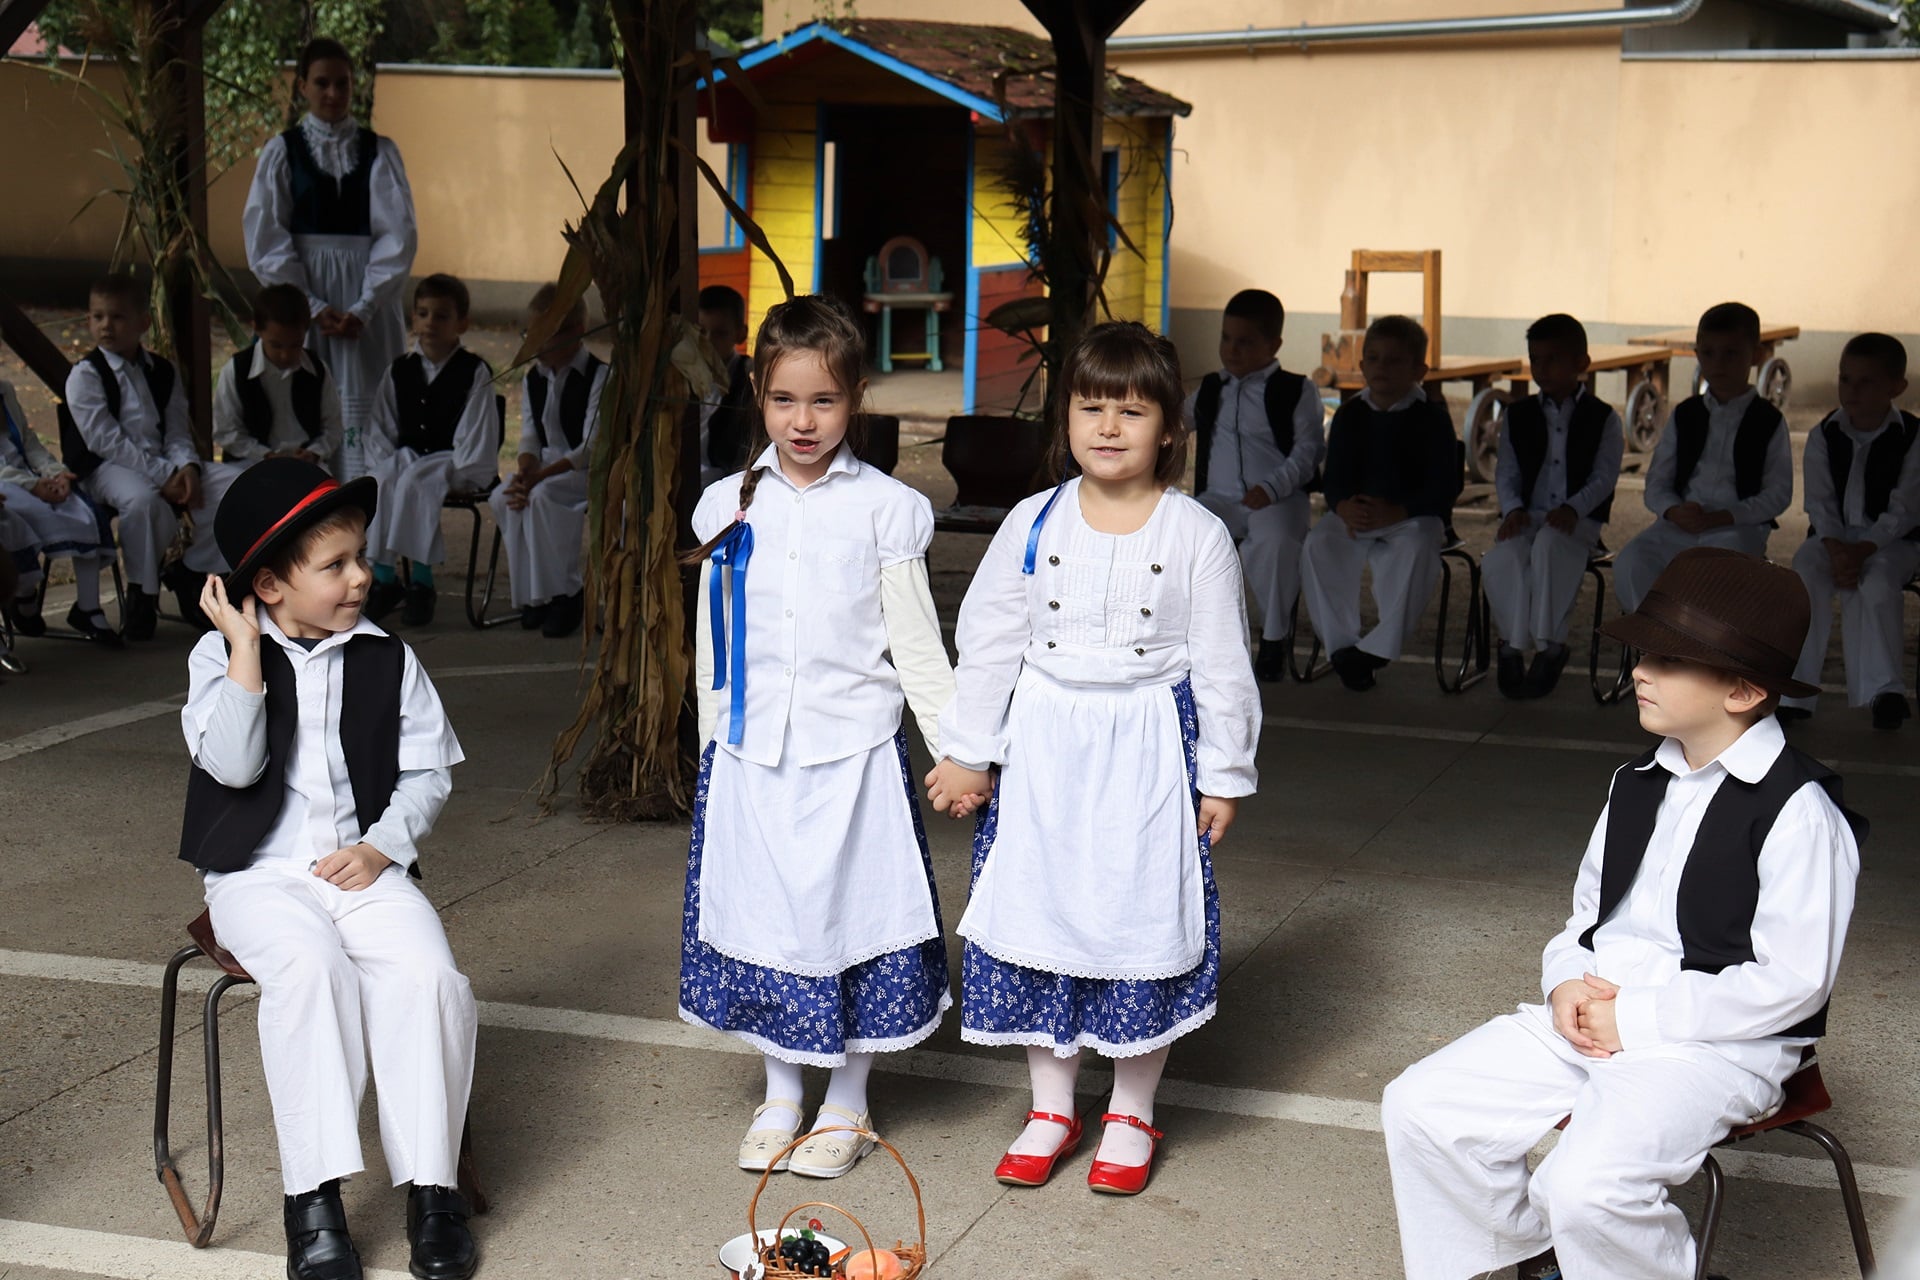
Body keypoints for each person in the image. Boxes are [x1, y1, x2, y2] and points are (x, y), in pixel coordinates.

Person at [1381, 548, 1861, 1280]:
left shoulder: (1800, 813)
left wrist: (1635, 1020)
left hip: (1716, 1044)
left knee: (1583, 1186)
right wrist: (1566, 982)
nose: (1640, 670)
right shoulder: (1635, 782)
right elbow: (1587, 919)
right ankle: (1544, 1260)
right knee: (1422, 1105)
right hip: (1596, 1013)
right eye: (1645, 654)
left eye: (1670, 661)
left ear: (1742, 691)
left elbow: (1793, 983)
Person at [926, 320, 1260, 1197]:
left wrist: (1224, 773)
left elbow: (1224, 664)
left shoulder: (1196, 533)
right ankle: (1050, 1108)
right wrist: (969, 752)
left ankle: (1131, 1112)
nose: (1109, 427)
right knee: (1040, 918)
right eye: (1090, 408)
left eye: (1132, 411)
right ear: (1065, 420)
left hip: (1146, 750)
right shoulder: (1032, 520)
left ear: (1170, 429)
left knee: (1135, 921)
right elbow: (990, 640)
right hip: (1043, 751)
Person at [681, 295, 957, 1180]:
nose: (803, 422)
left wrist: (955, 749)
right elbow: (714, 643)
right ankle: (780, 1093)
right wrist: (711, 742)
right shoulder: (725, 505)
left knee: (852, 919)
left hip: (853, 756)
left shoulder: (888, 508)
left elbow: (916, 642)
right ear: (757, 394)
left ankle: (848, 1099)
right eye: (784, 400)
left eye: (824, 401)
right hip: (753, 755)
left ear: (856, 399)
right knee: (769, 920)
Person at [182, 457, 477, 1280]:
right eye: (335, 565)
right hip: (256, 876)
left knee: (429, 978)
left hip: (362, 867)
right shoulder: (217, 658)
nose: (360, 577)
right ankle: (312, 1201)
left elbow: (428, 773)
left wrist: (382, 847)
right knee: (311, 975)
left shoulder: (388, 657)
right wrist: (244, 649)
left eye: (360, 557)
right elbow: (233, 767)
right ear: (269, 585)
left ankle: (434, 1191)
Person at [244, 36, 417, 482]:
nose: (333, 93)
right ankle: (310, 503)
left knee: (370, 403)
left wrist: (365, 307)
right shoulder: (282, 152)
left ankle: (371, 504)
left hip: (366, 299)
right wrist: (311, 307)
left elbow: (397, 236)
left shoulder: (380, 151)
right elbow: (267, 238)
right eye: (322, 83)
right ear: (302, 85)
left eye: (342, 83)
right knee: (309, 400)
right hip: (307, 298)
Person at [63, 273, 242, 638]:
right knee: (144, 501)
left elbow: (176, 430)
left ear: (143, 322)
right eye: (98, 317)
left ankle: (193, 568)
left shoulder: (162, 371)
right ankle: (142, 594)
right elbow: (105, 441)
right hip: (106, 468)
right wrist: (164, 476)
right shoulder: (85, 375)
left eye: (117, 317)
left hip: (162, 463)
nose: (106, 326)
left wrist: (187, 468)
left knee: (233, 484)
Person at [1299, 315, 1461, 692]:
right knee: (1318, 545)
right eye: (1373, 358)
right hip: (1356, 515)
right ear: (1361, 364)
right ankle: (1341, 648)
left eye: (1394, 360)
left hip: (1411, 516)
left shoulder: (1432, 418)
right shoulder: (1350, 414)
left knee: (1418, 545)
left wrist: (1401, 510)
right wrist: (1342, 506)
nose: (1381, 367)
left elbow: (1445, 484)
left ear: (1419, 370)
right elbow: (1334, 476)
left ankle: (1378, 649)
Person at [1612, 302, 1791, 612]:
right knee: (1632, 562)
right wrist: (1673, 510)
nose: (1718, 363)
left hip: (1737, 529)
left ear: (1756, 355)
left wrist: (1726, 516)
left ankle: (1695, 641)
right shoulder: (1685, 414)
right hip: (1680, 524)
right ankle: (1657, 637)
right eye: (1708, 353)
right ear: (1697, 355)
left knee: (1715, 577)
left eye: (1731, 354)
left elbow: (1778, 494)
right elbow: (1657, 481)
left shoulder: (1768, 420)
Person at [1184, 288, 1324, 682]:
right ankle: (1193, 639)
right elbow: (1173, 423)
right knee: (1184, 533)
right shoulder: (1211, 388)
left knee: (1276, 543)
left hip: (1278, 500)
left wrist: (1272, 488)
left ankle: (1275, 637)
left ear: (1274, 344)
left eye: (1245, 341)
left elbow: (1308, 451)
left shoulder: (1298, 390)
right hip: (1218, 499)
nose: (1232, 349)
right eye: (1226, 338)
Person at [1782, 333, 1920, 730]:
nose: (1852, 390)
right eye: (1845, 379)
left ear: (1896, 387)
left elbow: (1906, 507)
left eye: (1866, 382)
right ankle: (1795, 692)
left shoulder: (1913, 436)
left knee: (1877, 581)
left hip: (1893, 542)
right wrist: (1837, 548)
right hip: (1831, 539)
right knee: (1806, 572)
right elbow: (1819, 502)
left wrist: (1862, 550)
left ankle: (1885, 692)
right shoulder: (1824, 434)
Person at [1482, 314, 1624, 698]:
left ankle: (1551, 645)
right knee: (1504, 556)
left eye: (1553, 359)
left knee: (1549, 545)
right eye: (1535, 359)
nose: (1542, 369)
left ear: (1581, 363)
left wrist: (1574, 508)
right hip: (1528, 515)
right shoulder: (1518, 414)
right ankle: (1511, 643)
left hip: (1578, 521)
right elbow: (1507, 471)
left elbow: (1604, 477)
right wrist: (1513, 509)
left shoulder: (1603, 417)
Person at [361, 274, 498, 628]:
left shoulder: (474, 371)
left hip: (450, 458)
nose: (430, 323)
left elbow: (477, 428)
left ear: (461, 323)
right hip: (408, 455)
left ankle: (422, 583)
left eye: (441, 316)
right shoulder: (400, 369)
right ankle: (384, 578)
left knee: (416, 482)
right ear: (413, 318)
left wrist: (463, 471)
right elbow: (382, 425)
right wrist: (383, 463)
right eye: (423, 314)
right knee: (382, 480)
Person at [489, 283, 605, 638]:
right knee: (504, 498)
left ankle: (566, 594)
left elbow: (589, 448)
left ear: (576, 332)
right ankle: (533, 595)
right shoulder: (534, 378)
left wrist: (537, 479)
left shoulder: (600, 375)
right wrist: (525, 472)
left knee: (542, 498)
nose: (537, 343)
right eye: (532, 333)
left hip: (587, 471)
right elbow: (529, 435)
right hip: (545, 470)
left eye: (546, 334)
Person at [1, 377, 118, 643]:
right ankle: (24, 597)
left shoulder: (5, 389)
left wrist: (55, 473)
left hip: (25, 475)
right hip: (5, 483)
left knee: (80, 511)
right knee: (14, 520)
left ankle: (88, 607)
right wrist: (31, 485)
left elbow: (29, 443)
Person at [213, 283, 345, 472]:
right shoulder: (237, 370)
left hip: (305, 466)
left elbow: (332, 426)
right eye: (276, 345)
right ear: (257, 329)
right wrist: (265, 456)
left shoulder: (317, 370)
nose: (285, 355)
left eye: (295, 345)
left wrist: (314, 452)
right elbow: (226, 431)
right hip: (249, 465)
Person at [695, 284, 754, 487]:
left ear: (740, 334)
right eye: (701, 332)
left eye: (720, 334)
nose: (708, 342)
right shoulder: (676, 378)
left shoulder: (749, 380)